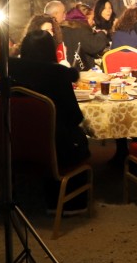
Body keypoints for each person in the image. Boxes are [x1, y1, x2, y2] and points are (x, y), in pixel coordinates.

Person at [9, 29, 90, 211]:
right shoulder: (58, 75)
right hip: (54, 147)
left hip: (14, 144)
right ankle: (68, 203)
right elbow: (74, 116)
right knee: (79, 138)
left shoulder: (9, 72)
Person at [63, 4, 109, 71]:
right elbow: (94, 46)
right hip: (80, 71)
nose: (93, 22)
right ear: (85, 17)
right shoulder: (80, 29)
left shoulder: (68, 27)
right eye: (92, 19)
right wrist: (102, 33)